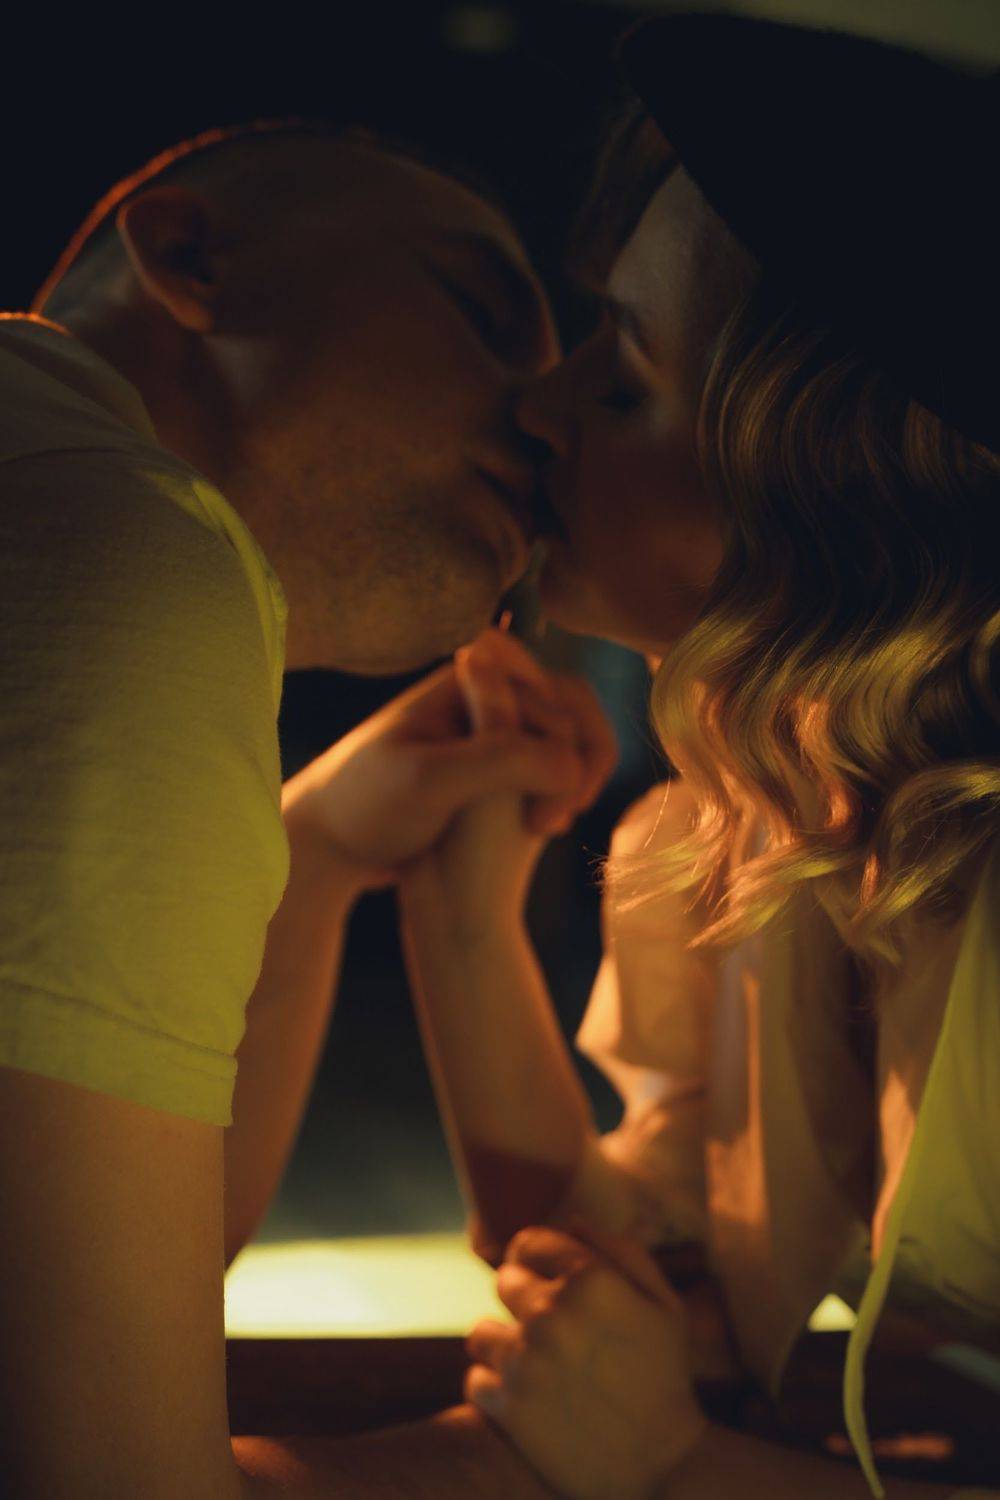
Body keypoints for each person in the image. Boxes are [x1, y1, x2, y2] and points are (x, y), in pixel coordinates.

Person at [396, 15, 1000, 1500]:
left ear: (830, 482)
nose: (538, 407)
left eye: (625, 379)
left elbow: (640, 1399)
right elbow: (630, 1279)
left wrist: (676, 1469)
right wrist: (460, 905)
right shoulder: (757, 820)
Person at [0, 118, 615, 1498]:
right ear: (192, 257)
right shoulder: (118, 539)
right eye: (478, 313)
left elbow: (59, 1288)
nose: (544, 417)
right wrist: (548, 1459)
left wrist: (322, 849)